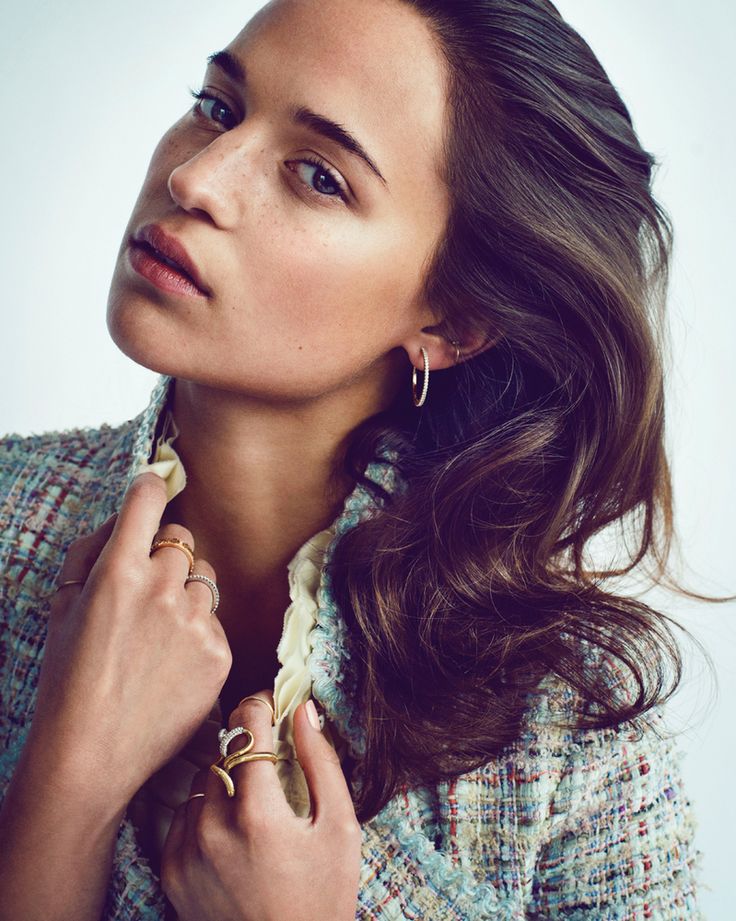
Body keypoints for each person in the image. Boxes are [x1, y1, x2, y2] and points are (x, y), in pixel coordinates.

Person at [0, 0, 712, 917]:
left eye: (318, 176)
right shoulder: (11, 520)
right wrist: (69, 782)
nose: (196, 176)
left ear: (454, 321)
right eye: (218, 108)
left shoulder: (573, 730)